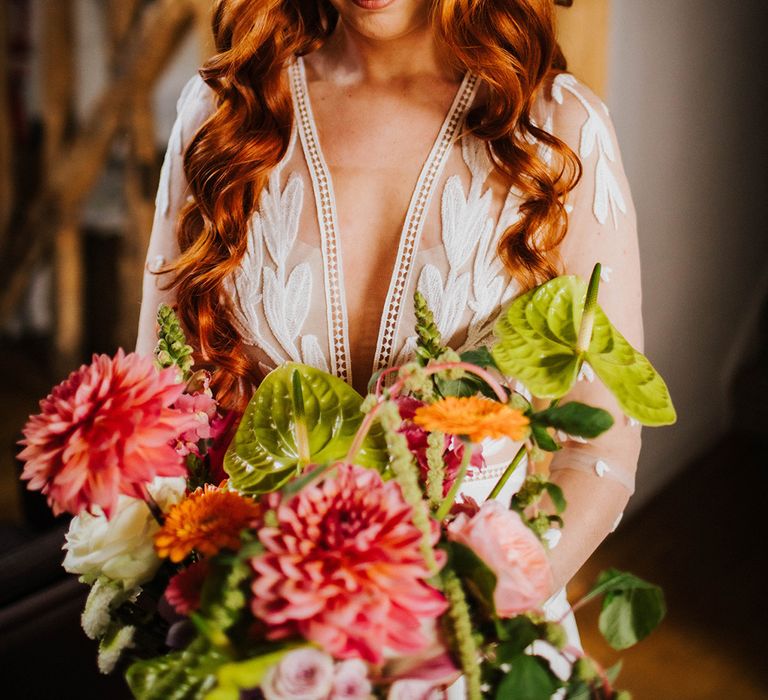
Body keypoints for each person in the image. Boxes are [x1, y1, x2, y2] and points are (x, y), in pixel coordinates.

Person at [136, 0, 642, 691]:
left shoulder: (557, 133)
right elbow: (161, 415)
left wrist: (464, 617)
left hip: (477, 643)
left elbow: (602, 447)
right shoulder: (226, 115)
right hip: (268, 645)